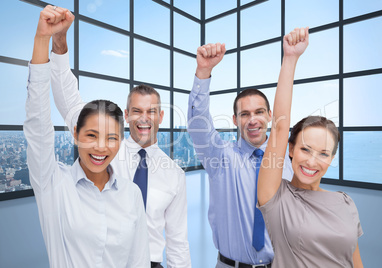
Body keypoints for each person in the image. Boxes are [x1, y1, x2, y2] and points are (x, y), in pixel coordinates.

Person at [48, 6, 190, 268]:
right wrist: (59, 43)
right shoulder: (104, 152)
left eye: (151, 112)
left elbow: (178, 242)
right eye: (136, 111)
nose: (143, 118)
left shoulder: (174, 175)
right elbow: (68, 100)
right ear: (127, 114)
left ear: (161, 117)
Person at [24, 6, 150, 267]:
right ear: (75, 133)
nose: (101, 147)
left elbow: (138, 261)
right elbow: (39, 126)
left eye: (111, 138)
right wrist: (45, 39)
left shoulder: (131, 194)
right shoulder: (54, 186)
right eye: (91, 135)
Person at [187, 29, 306, 267]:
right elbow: (198, 123)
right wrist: (203, 72)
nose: (252, 120)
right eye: (244, 114)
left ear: (270, 116)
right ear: (234, 120)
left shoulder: (289, 160)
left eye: (259, 112)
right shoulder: (219, 157)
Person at [256, 28, 364, 267]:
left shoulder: (345, 202)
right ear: (291, 150)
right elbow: (280, 127)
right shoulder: (276, 198)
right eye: (305, 149)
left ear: (332, 158)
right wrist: (290, 59)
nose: (312, 161)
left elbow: (355, 261)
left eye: (323, 153)